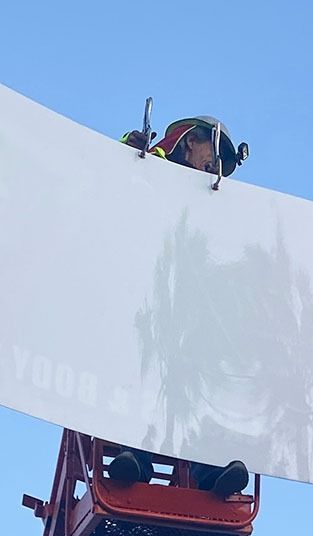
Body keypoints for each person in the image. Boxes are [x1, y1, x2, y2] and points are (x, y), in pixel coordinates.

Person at [104, 116, 252, 498]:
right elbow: (109, 192)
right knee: (139, 369)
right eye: (215, 153)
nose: (218, 167)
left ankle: (211, 469)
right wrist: (125, 150)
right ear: (189, 143)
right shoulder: (147, 167)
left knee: (210, 370)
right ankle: (133, 458)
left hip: (190, 310)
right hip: (142, 301)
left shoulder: (216, 207)